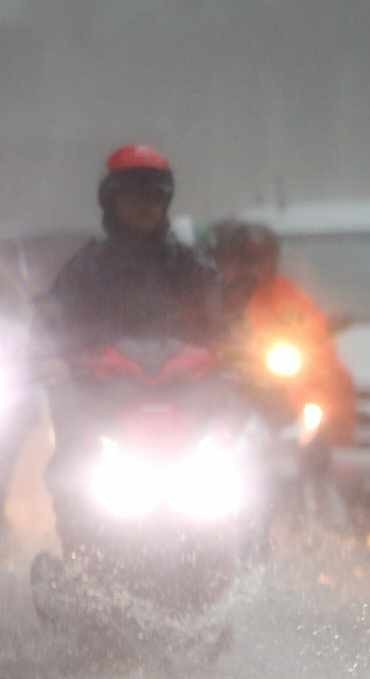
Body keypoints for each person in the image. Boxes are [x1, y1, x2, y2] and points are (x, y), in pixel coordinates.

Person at [34, 145, 226, 547]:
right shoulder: (86, 268)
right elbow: (52, 324)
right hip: (102, 400)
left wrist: (241, 353)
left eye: (153, 196)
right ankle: (81, 555)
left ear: (166, 202)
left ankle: (241, 549)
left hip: (184, 401)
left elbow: (226, 326)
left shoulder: (192, 267)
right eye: (132, 195)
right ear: (111, 201)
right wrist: (51, 357)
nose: (144, 206)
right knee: (75, 461)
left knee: (238, 457)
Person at [206, 220, 357, 446]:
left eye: (262, 258)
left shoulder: (287, 295)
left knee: (333, 381)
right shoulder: (209, 293)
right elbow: (191, 327)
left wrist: (321, 334)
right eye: (246, 258)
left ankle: (327, 446)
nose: (254, 266)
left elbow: (312, 327)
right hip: (221, 378)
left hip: (274, 382)